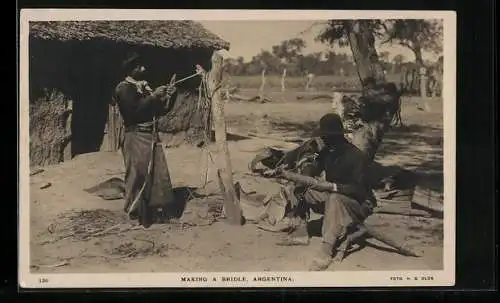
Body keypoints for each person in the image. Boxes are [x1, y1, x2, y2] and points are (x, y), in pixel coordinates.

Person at [271, 113, 374, 271]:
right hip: (334, 196)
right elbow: (315, 162)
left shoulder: (357, 157)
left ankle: (327, 249)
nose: (323, 139)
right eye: (323, 136)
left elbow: (361, 190)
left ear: (337, 137)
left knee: (334, 198)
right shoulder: (326, 151)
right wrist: (304, 174)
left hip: (359, 204)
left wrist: (332, 187)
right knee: (299, 188)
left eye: (326, 136)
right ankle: (300, 231)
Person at [113, 52, 177, 228]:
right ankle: (134, 211)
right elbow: (133, 112)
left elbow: (161, 110)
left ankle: (154, 210)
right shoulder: (123, 88)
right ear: (131, 69)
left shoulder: (144, 88)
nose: (144, 69)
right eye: (139, 67)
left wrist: (170, 96)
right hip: (136, 136)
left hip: (150, 135)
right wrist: (154, 96)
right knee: (137, 174)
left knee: (155, 172)